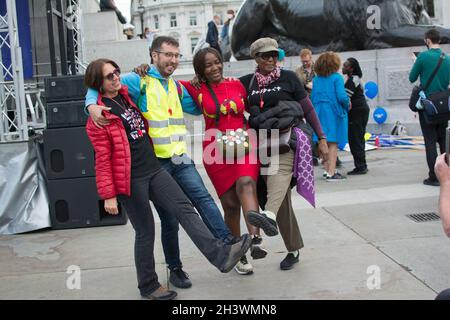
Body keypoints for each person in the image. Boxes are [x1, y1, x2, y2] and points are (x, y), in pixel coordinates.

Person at [83, 58, 252, 300]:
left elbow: (154, 86)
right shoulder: (98, 116)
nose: (116, 77)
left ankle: (221, 255)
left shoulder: (126, 97)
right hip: (131, 179)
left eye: (117, 72)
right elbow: (102, 158)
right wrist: (108, 195)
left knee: (185, 207)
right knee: (146, 230)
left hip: (154, 169)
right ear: (98, 82)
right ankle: (148, 286)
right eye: (109, 76)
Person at [179, 47, 272, 275]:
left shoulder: (238, 84)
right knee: (230, 205)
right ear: (200, 70)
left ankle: (255, 239)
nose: (215, 67)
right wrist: (144, 71)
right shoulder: (193, 88)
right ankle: (238, 254)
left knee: (246, 184)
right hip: (215, 149)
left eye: (217, 62)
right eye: (208, 65)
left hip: (244, 143)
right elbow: (163, 83)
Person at [240, 37, 328, 270]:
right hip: (261, 146)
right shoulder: (247, 83)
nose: (271, 59)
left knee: (277, 180)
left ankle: (267, 215)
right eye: (265, 55)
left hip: (289, 140)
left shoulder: (288, 77)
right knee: (280, 198)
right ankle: (293, 248)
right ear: (255, 58)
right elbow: (222, 91)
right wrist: (198, 81)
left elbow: (308, 108)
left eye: (274, 55)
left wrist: (322, 137)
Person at [409, 28, 450, 187]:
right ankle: (446, 172)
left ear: (427, 40)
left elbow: (412, 78)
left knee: (430, 141)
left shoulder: (423, 57)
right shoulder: (447, 58)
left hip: (428, 106)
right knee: (444, 141)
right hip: (444, 106)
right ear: (439, 40)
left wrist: (416, 63)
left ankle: (433, 177)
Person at [311, 51, 350, 181]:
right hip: (333, 112)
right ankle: (331, 173)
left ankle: (327, 169)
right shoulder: (336, 78)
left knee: (323, 141)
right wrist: (348, 103)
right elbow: (341, 96)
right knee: (333, 143)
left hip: (318, 112)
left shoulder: (316, 79)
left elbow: (313, 97)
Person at [342, 58, 370, 175]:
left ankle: (360, 166)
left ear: (351, 69)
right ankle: (362, 164)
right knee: (359, 137)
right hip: (362, 110)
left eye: (345, 65)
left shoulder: (352, 81)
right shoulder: (356, 78)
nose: (343, 67)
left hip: (356, 112)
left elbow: (345, 98)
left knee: (355, 139)